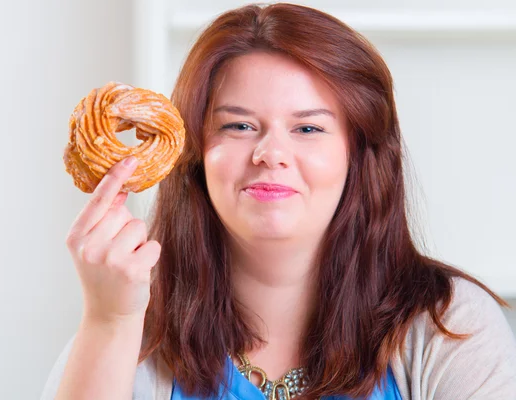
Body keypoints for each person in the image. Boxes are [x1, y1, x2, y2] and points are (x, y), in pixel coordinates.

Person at [41, 3, 516, 399]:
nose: (270, 154)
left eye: (308, 128)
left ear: (359, 155)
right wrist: (109, 322)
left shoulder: (448, 325)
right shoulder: (131, 330)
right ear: (194, 155)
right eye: (238, 126)